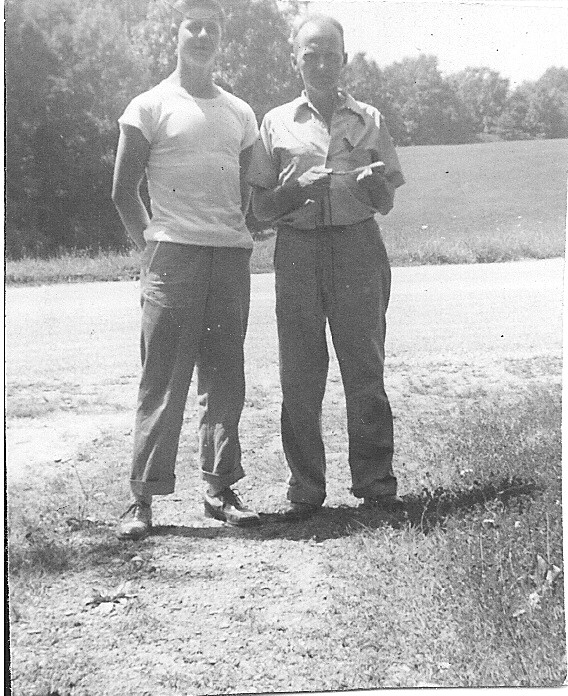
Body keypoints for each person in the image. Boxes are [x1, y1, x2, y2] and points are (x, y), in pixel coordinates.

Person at [247, 14, 405, 521]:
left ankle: (375, 483)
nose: (320, 64)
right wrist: (294, 191)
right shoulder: (276, 122)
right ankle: (305, 488)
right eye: (309, 55)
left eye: (329, 54)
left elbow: (386, 200)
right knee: (299, 373)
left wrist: (372, 184)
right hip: (297, 250)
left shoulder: (369, 118)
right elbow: (259, 210)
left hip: (358, 246)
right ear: (294, 60)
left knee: (365, 368)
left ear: (344, 59)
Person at [112, 0, 260, 539]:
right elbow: (123, 192)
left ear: (221, 38)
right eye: (192, 26)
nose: (201, 35)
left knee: (224, 377)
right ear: (175, 35)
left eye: (210, 28)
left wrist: (233, 230)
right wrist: (152, 249)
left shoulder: (240, 112)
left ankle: (220, 489)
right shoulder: (149, 105)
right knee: (163, 380)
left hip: (229, 257)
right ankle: (142, 499)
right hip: (172, 257)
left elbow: (247, 189)